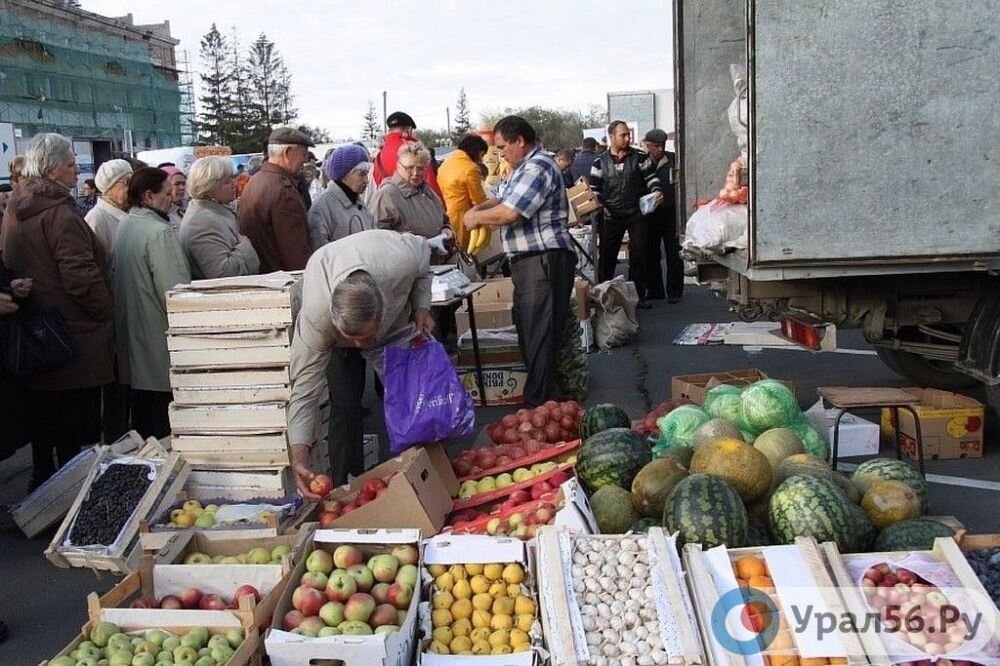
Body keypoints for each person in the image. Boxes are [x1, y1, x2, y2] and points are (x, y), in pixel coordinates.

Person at [0, 133, 114, 488]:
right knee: (72, 431)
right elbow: (79, 276)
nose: (77, 172)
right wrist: (105, 310)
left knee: (46, 425)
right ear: (51, 168)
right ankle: (71, 504)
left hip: (38, 330)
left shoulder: (18, 207)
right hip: (72, 334)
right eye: (70, 165)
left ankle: (44, 491)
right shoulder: (60, 213)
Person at [286, 229, 433, 493]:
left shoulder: (402, 260)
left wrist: (422, 306)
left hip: (393, 323)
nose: (360, 347)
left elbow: (424, 262)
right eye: (352, 338)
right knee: (344, 406)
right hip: (333, 330)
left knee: (409, 400)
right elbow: (304, 392)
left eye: (365, 337)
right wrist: (299, 458)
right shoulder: (316, 319)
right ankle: (346, 487)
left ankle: (422, 473)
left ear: (381, 312)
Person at [463, 115, 577, 407]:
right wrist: (478, 209)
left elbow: (510, 213)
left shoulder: (537, 167)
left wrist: (476, 217)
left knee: (539, 332)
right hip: (531, 262)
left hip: (543, 259)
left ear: (520, 141)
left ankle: (538, 405)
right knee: (531, 329)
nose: (499, 153)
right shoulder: (519, 169)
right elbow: (499, 198)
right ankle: (548, 402)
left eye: (502, 147)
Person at [113, 167, 191, 439]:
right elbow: (175, 294)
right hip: (157, 345)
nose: (173, 198)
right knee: (164, 432)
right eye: (167, 193)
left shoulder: (125, 224)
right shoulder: (159, 231)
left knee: (143, 427)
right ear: (148, 196)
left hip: (132, 345)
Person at [85, 158, 134, 443]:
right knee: (116, 386)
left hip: (125, 309)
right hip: (112, 311)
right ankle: (116, 439)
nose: (130, 189)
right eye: (126, 183)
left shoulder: (122, 215)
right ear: (113, 187)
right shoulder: (98, 219)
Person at [589, 120, 663, 307]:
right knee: (607, 257)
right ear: (611, 137)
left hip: (636, 213)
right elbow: (593, 189)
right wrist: (600, 205)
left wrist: (656, 190)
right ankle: (603, 296)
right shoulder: (599, 162)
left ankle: (637, 297)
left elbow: (651, 178)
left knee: (639, 255)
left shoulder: (639, 158)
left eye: (628, 134)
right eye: (623, 135)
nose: (627, 138)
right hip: (610, 215)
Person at [237, 127, 315, 273]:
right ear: (287, 153)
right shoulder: (284, 192)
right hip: (282, 281)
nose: (305, 160)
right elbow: (296, 255)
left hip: (265, 277)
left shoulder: (256, 181)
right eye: (303, 154)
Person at [180, 156, 259, 279]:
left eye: (233, 178)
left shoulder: (212, 212)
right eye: (227, 182)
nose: (234, 184)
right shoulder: (202, 222)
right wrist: (245, 246)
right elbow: (223, 273)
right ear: (209, 187)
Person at [371, 143, 454, 248]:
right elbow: (377, 236)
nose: (415, 173)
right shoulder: (386, 195)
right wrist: (415, 243)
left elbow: (445, 220)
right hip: (408, 262)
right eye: (409, 168)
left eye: (420, 168)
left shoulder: (428, 192)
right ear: (398, 166)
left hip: (436, 260)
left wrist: (447, 230)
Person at [643, 129, 684, 303]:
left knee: (674, 252)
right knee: (651, 253)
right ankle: (655, 290)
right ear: (648, 145)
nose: (660, 149)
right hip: (650, 215)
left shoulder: (674, 160)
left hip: (671, 213)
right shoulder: (642, 162)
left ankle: (675, 292)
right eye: (656, 146)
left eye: (662, 145)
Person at [308, 144, 374, 250]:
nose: (366, 180)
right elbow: (319, 253)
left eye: (367, 174)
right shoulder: (322, 208)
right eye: (361, 174)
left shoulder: (359, 204)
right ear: (345, 174)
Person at [372, 111, 442, 198]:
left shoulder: (379, 155)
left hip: (387, 201)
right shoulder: (412, 149)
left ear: (389, 131)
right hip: (413, 204)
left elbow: (377, 181)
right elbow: (430, 183)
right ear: (409, 130)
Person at [438, 134, 489, 251]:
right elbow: (479, 200)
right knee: (467, 251)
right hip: (464, 218)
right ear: (476, 151)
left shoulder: (445, 165)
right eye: (481, 155)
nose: (481, 160)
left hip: (447, 215)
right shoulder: (470, 168)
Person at [85, 159, 133, 257]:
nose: (132, 187)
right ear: (110, 187)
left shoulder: (132, 212)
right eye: (127, 182)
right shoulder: (96, 219)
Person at [161, 166, 186, 233]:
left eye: (184, 184)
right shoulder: (160, 212)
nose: (182, 188)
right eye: (177, 184)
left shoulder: (189, 206)